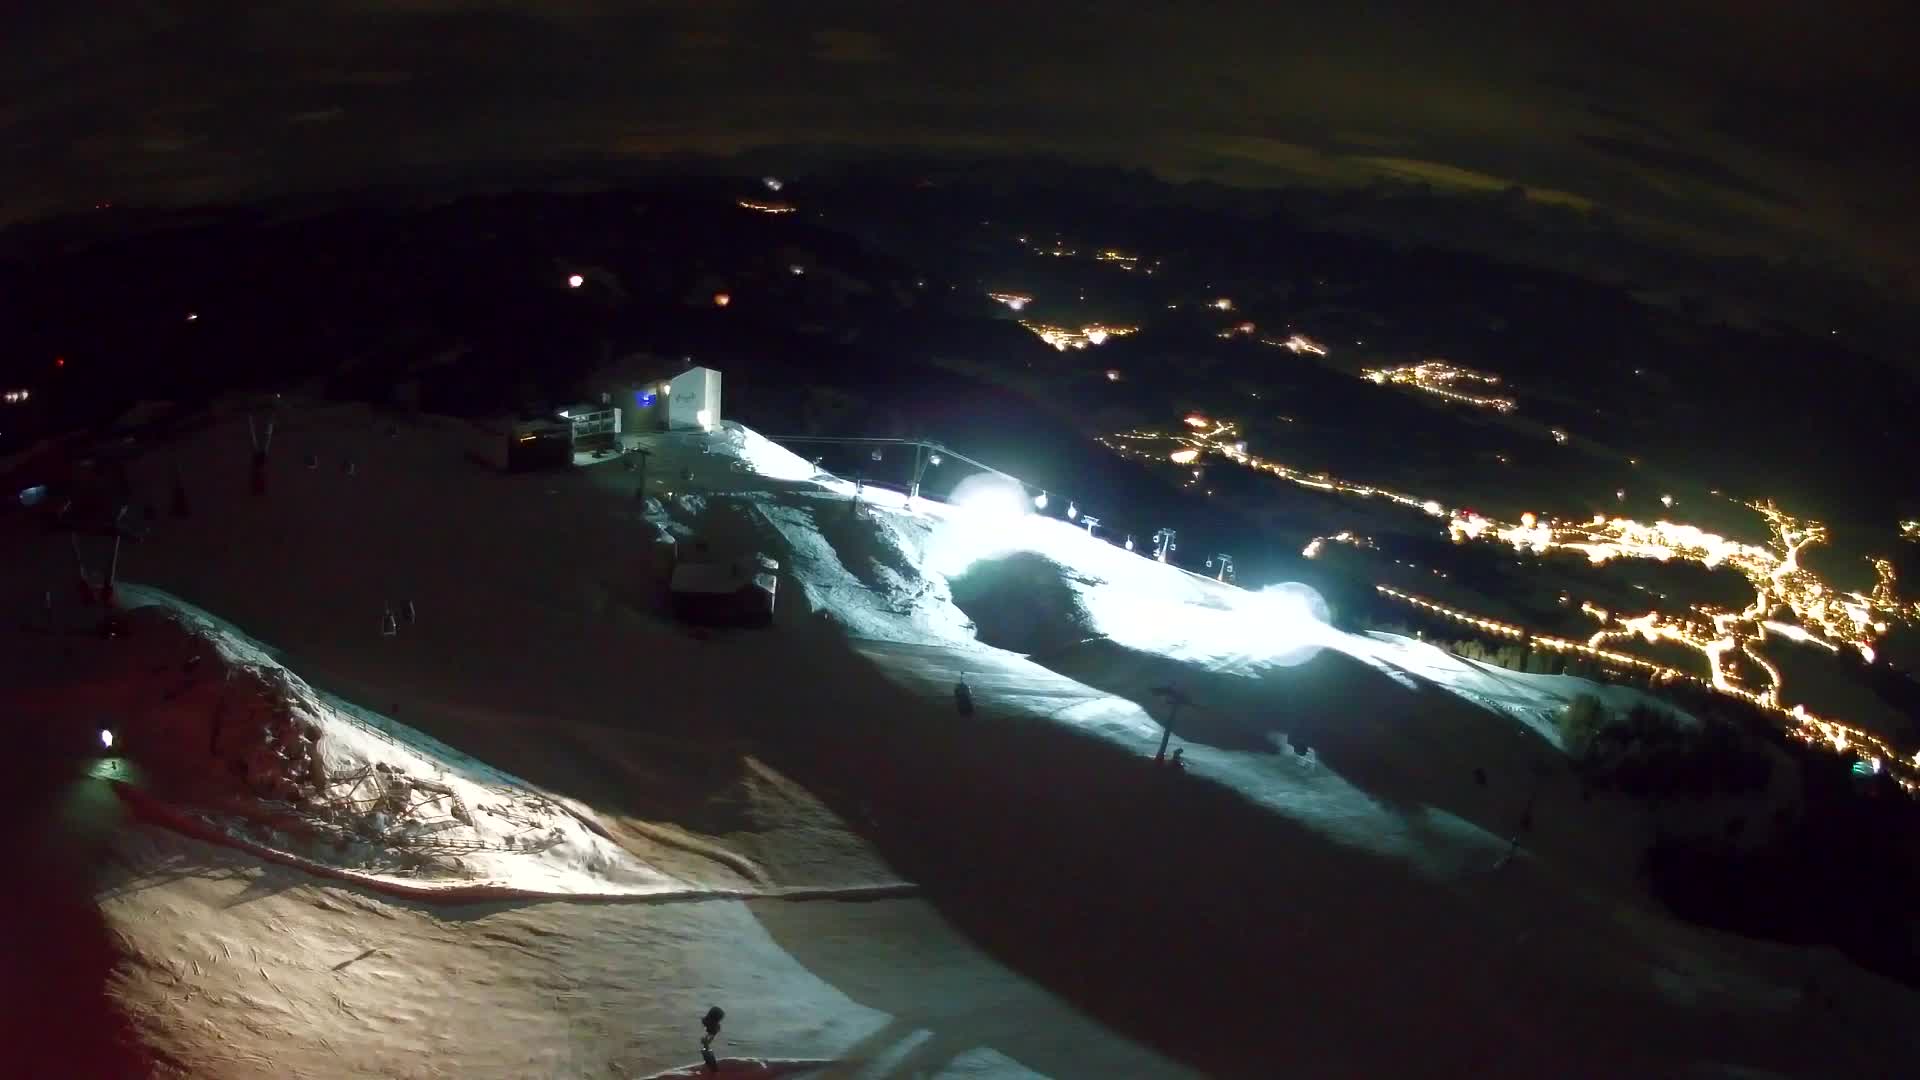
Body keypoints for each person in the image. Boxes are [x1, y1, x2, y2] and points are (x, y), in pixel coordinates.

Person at [700, 1006, 725, 1073]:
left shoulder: (705, 1023)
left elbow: (705, 1040)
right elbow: (705, 1041)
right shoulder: (714, 1027)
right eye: (720, 1018)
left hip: (706, 1049)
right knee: (714, 1070)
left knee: (711, 1068)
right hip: (707, 1050)